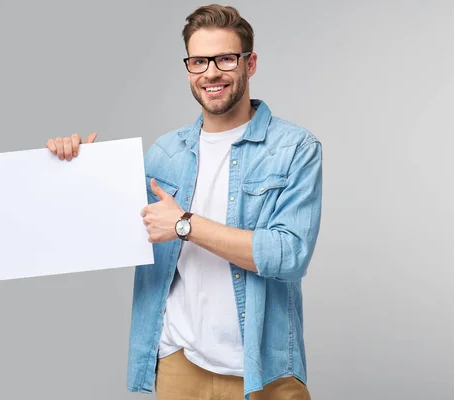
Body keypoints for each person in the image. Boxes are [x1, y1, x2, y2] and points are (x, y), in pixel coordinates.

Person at [46, 4, 322, 400]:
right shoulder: (165, 153)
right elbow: (110, 236)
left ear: (250, 64)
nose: (211, 72)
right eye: (198, 61)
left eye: (225, 58)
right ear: (189, 67)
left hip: (264, 367)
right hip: (179, 364)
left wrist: (185, 225)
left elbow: (289, 254)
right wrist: (75, 172)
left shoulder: (295, 148)